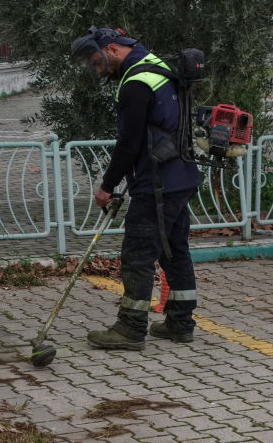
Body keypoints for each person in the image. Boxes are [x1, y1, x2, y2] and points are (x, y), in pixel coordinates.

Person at [70, 27, 202, 350]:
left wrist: (106, 186)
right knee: (174, 250)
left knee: (137, 255)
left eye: (97, 63)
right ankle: (180, 321)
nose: (98, 71)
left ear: (112, 49)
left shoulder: (135, 83)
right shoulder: (156, 66)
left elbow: (128, 143)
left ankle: (130, 328)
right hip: (181, 177)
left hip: (155, 185)